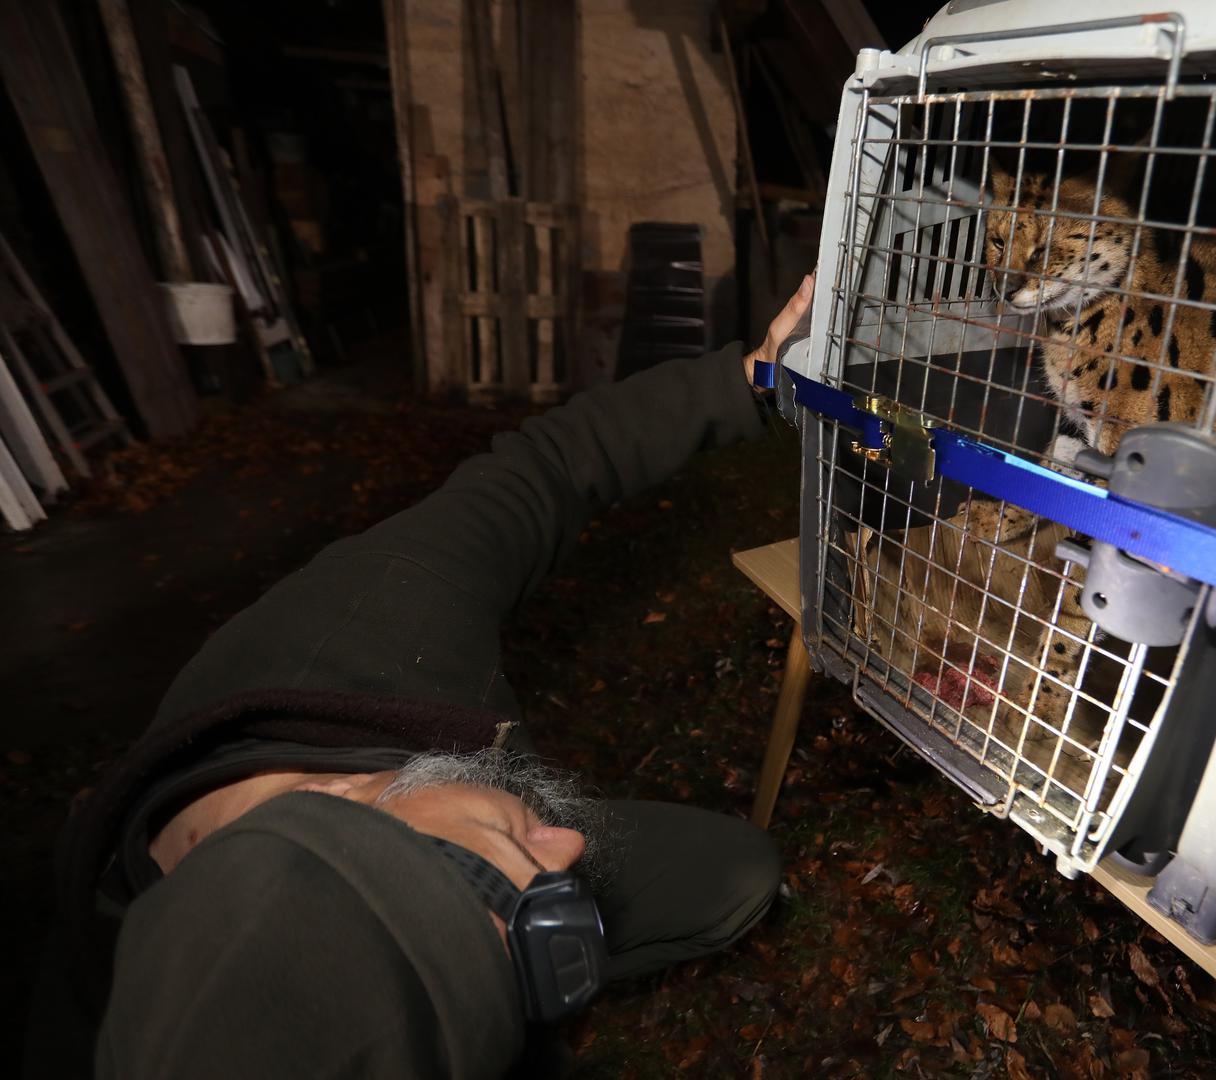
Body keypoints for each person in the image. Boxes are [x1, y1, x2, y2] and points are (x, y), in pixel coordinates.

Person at [24, 274, 817, 1079]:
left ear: (335, 798)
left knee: (738, 874)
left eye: (504, 853)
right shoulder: (94, 1025)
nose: (567, 841)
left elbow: (548, 467)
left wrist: (751, 376)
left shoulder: (380, 611)